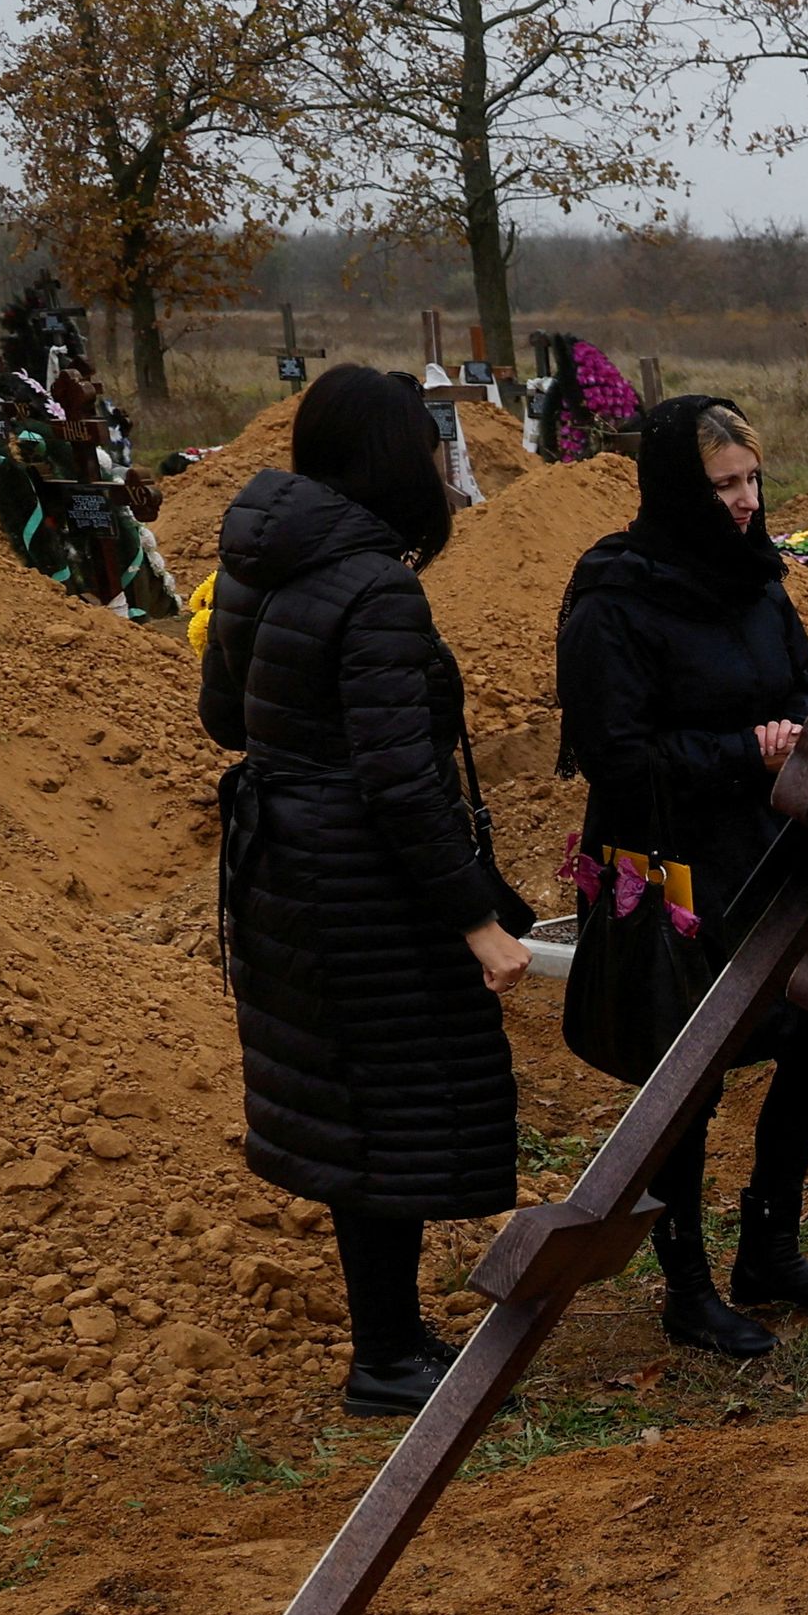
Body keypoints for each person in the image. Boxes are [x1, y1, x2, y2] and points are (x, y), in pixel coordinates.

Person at [199, 363, 532, 1419]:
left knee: (354, 1109)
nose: (440, 463)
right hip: (361, 885)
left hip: (282, 869)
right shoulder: (378, 585)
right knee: (398, 1104)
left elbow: (225, 719)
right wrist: (478, 920)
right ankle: (386, 1358)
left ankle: (390, 1337)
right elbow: (400, 778)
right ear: (393, 459)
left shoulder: (265, 561)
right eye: (428, 445)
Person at [557, 395, 808, 1357]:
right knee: (687, 1076)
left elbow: (800, 680)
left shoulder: (756, 578)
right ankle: (689, 1287)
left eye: (752, 480)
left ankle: (770, 1249)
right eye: (724, 486)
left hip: (769, 843)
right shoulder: (613, 602)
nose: (746, 503)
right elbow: (616, 760)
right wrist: (745, 748)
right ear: (677, 489)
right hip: (666, 864)